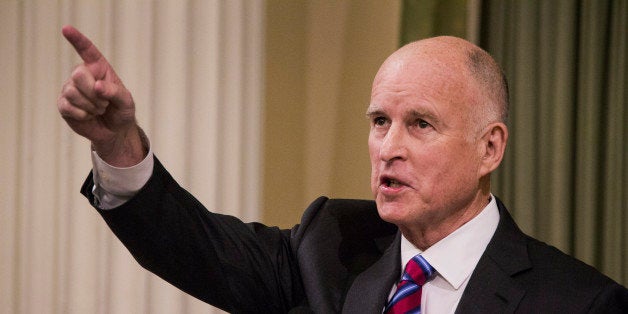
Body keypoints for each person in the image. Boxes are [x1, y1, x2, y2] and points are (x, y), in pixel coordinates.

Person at [57, 25, 628, 313]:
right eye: (380, 121)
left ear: (490, 149)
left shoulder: (581, 302)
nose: (388, 147)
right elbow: (196, 246)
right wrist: (120, 144)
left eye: (420, 124)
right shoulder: (329, 247)